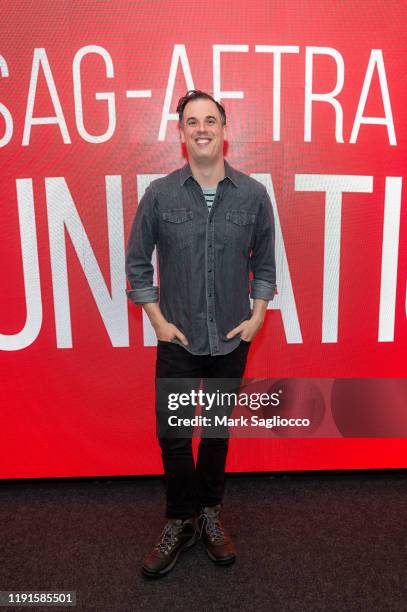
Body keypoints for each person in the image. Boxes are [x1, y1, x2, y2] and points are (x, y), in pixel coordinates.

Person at [125, 90, 277, 578]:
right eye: (192, 122)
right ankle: (179, 520)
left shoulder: (253, 195)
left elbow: (266, 264)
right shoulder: (160, 194)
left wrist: (256, 318)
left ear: (225, 130)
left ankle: (208, 515)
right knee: (172, 435)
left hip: (231, 341)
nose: (202, 128)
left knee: (214, 433)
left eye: (210, 120)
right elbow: (136, 263)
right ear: (181, 133)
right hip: (178, 341)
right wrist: (157, 321)